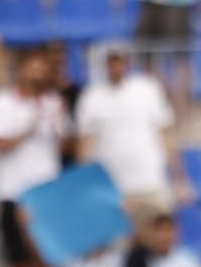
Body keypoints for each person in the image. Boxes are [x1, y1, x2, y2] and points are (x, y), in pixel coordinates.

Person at [0, 47, 68, 267]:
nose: (37, 74)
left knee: (44, 265)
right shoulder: (2, 103)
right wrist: (28, 127)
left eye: (41, 68)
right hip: (14, 194)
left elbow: (63, 147)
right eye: (32, 67)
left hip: (47, 195)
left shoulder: (53, 102)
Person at [76, 43, 183, 213]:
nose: (116, 66)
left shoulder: (148, 89)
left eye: (120, 61)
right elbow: (84, 147)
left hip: (150, 181)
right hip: (112, 187)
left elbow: (166, 136)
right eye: (112, 61)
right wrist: (85, 184)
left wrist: (179, 179)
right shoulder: (91, 97)